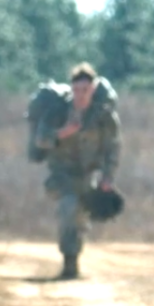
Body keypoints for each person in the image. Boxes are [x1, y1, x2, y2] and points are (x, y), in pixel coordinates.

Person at [35, 62, 121, 280]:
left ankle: (74, 254)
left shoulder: (103, 116)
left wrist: (107, 178)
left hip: (89, 176)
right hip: (61, 175)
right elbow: (41, 140)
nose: (80, 95)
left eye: (85, 90)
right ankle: (69, 262)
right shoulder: (58, 112)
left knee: (81, 217)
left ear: (92, 89)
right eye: (77, 90)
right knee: (68, 207)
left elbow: (113, 148)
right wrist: (63, 133)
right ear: (71, 88)